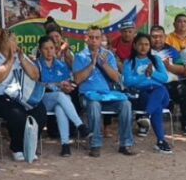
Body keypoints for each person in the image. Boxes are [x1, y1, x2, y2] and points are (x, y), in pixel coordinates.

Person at [0, 30, 47, 162]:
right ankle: (17, 148)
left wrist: (22, 60)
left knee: (40, 110)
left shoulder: (19, 56)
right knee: (17, 112)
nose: (16, 43)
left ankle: (29, 145)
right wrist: (10, 60)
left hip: (19, 96)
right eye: (13, 41)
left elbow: (35, 75)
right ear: (3, 43)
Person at [74, 26, 135, 157]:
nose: (94, 40)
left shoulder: (108, 55)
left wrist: (104, 64)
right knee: (94, 105)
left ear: (101, 39)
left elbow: (116, 78)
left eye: (97, 37)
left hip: (107, 96)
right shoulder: (80, 56)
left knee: (126, 104)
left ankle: (125, 144)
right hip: (88, 95)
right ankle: (95, 145)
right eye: (91, 37)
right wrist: (92, 64)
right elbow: (77, 79)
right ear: (86, 39)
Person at [35, 36, 90, 156]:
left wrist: (67, 87)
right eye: (45, 48)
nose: (49, 51)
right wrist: (57, 85)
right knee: (60, 96)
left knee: (60, 106)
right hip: (42, 99)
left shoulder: (61, 65)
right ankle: (80, 125)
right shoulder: (36, 64)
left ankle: (65, 145)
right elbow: (37, 84)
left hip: (60, 99)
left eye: (51, 48)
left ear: (55, 49)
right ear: (40, 50)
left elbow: (67, 83)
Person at [123, 33, 172, 153]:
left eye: (146, 44)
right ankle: (161, 141)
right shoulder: (129, 62)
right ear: (134, 45)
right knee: (156, 106)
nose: (143, 47)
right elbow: (128, 82)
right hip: (142, 95)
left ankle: (146, 115)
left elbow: (165, 78)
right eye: (140, 44)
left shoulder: (155, 60)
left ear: (150, 46)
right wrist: (144, 75)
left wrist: (153, 73)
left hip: (161, 94)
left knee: (160, 89)